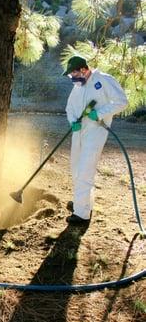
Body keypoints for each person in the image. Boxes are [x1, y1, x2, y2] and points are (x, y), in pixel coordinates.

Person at [62, 55, 128, 225]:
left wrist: (98, 114)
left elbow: (122, 102)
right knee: (76, 168)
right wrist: (72, 122)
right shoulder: (78, 86)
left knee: (85, 169)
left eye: (73, 74)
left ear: (83, 70)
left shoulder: (103, 80)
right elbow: (69, 107)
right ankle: (82, 203)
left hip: (96, 132)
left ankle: (82, 215)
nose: (72, 78)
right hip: (78, 132)